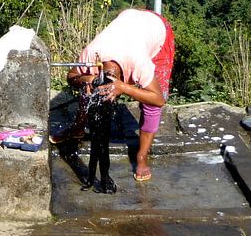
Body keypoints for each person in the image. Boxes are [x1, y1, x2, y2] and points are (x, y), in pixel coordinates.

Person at [50, 9, 175, 182]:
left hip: (157, 30)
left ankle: (141, 157)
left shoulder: (139, 62)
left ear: (125, 76)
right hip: (128, 20)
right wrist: (86, 80)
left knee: (149, 104)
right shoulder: (92, 56)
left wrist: (125, 88)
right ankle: (77, 129)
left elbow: (158, 100)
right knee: (90, 88)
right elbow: (71, 77)